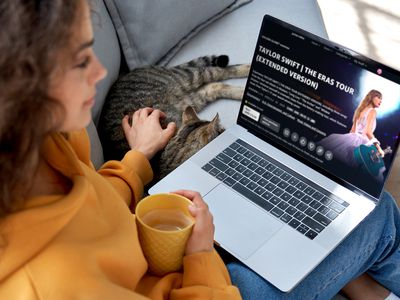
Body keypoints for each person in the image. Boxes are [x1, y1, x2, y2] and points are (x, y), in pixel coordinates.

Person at [0, 1, 398, 299]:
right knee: (375, 214)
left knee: (303, 224)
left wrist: (136, 158)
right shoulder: (50, 284)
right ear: (23, 86)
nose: (100, 72)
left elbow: (90, 207)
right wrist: (202, 256)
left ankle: (358, 282)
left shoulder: (46, 139)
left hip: (166, 258)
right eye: (80, 59)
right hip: (204, 286)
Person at [319, 90, 386, 167]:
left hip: (352, 138)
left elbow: (352, 131)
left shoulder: (359, 110)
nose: (381, 101)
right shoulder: (373, 111)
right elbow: (368, 132)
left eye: (381, 99)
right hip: (362, 143)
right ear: (372, 97)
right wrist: (379, 148)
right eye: (379, 97)